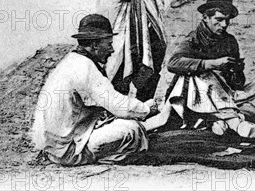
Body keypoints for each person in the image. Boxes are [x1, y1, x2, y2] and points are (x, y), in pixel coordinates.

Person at [30, 14, 172, 166]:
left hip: (54, 145)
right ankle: (105, 156)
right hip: (68, 151)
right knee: (132, 129)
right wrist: (147, 109)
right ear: (95, 45)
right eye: (109, 44)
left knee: (122, 122)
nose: (111, 50)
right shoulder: (84, 67)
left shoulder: (71, 61)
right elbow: (117, 105)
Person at [164, 0, 255, 138]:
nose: (224, 25)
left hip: (225, 95)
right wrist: (213, 64)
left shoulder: (229, 41)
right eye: (218, 20)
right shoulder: (193, 39)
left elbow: (237, 84)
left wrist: (236, 71)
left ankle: (221, 120)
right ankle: (233, 121)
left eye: (227, 20)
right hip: (195, 97)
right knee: (205, 74)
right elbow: (173, 63)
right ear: (205, 17)